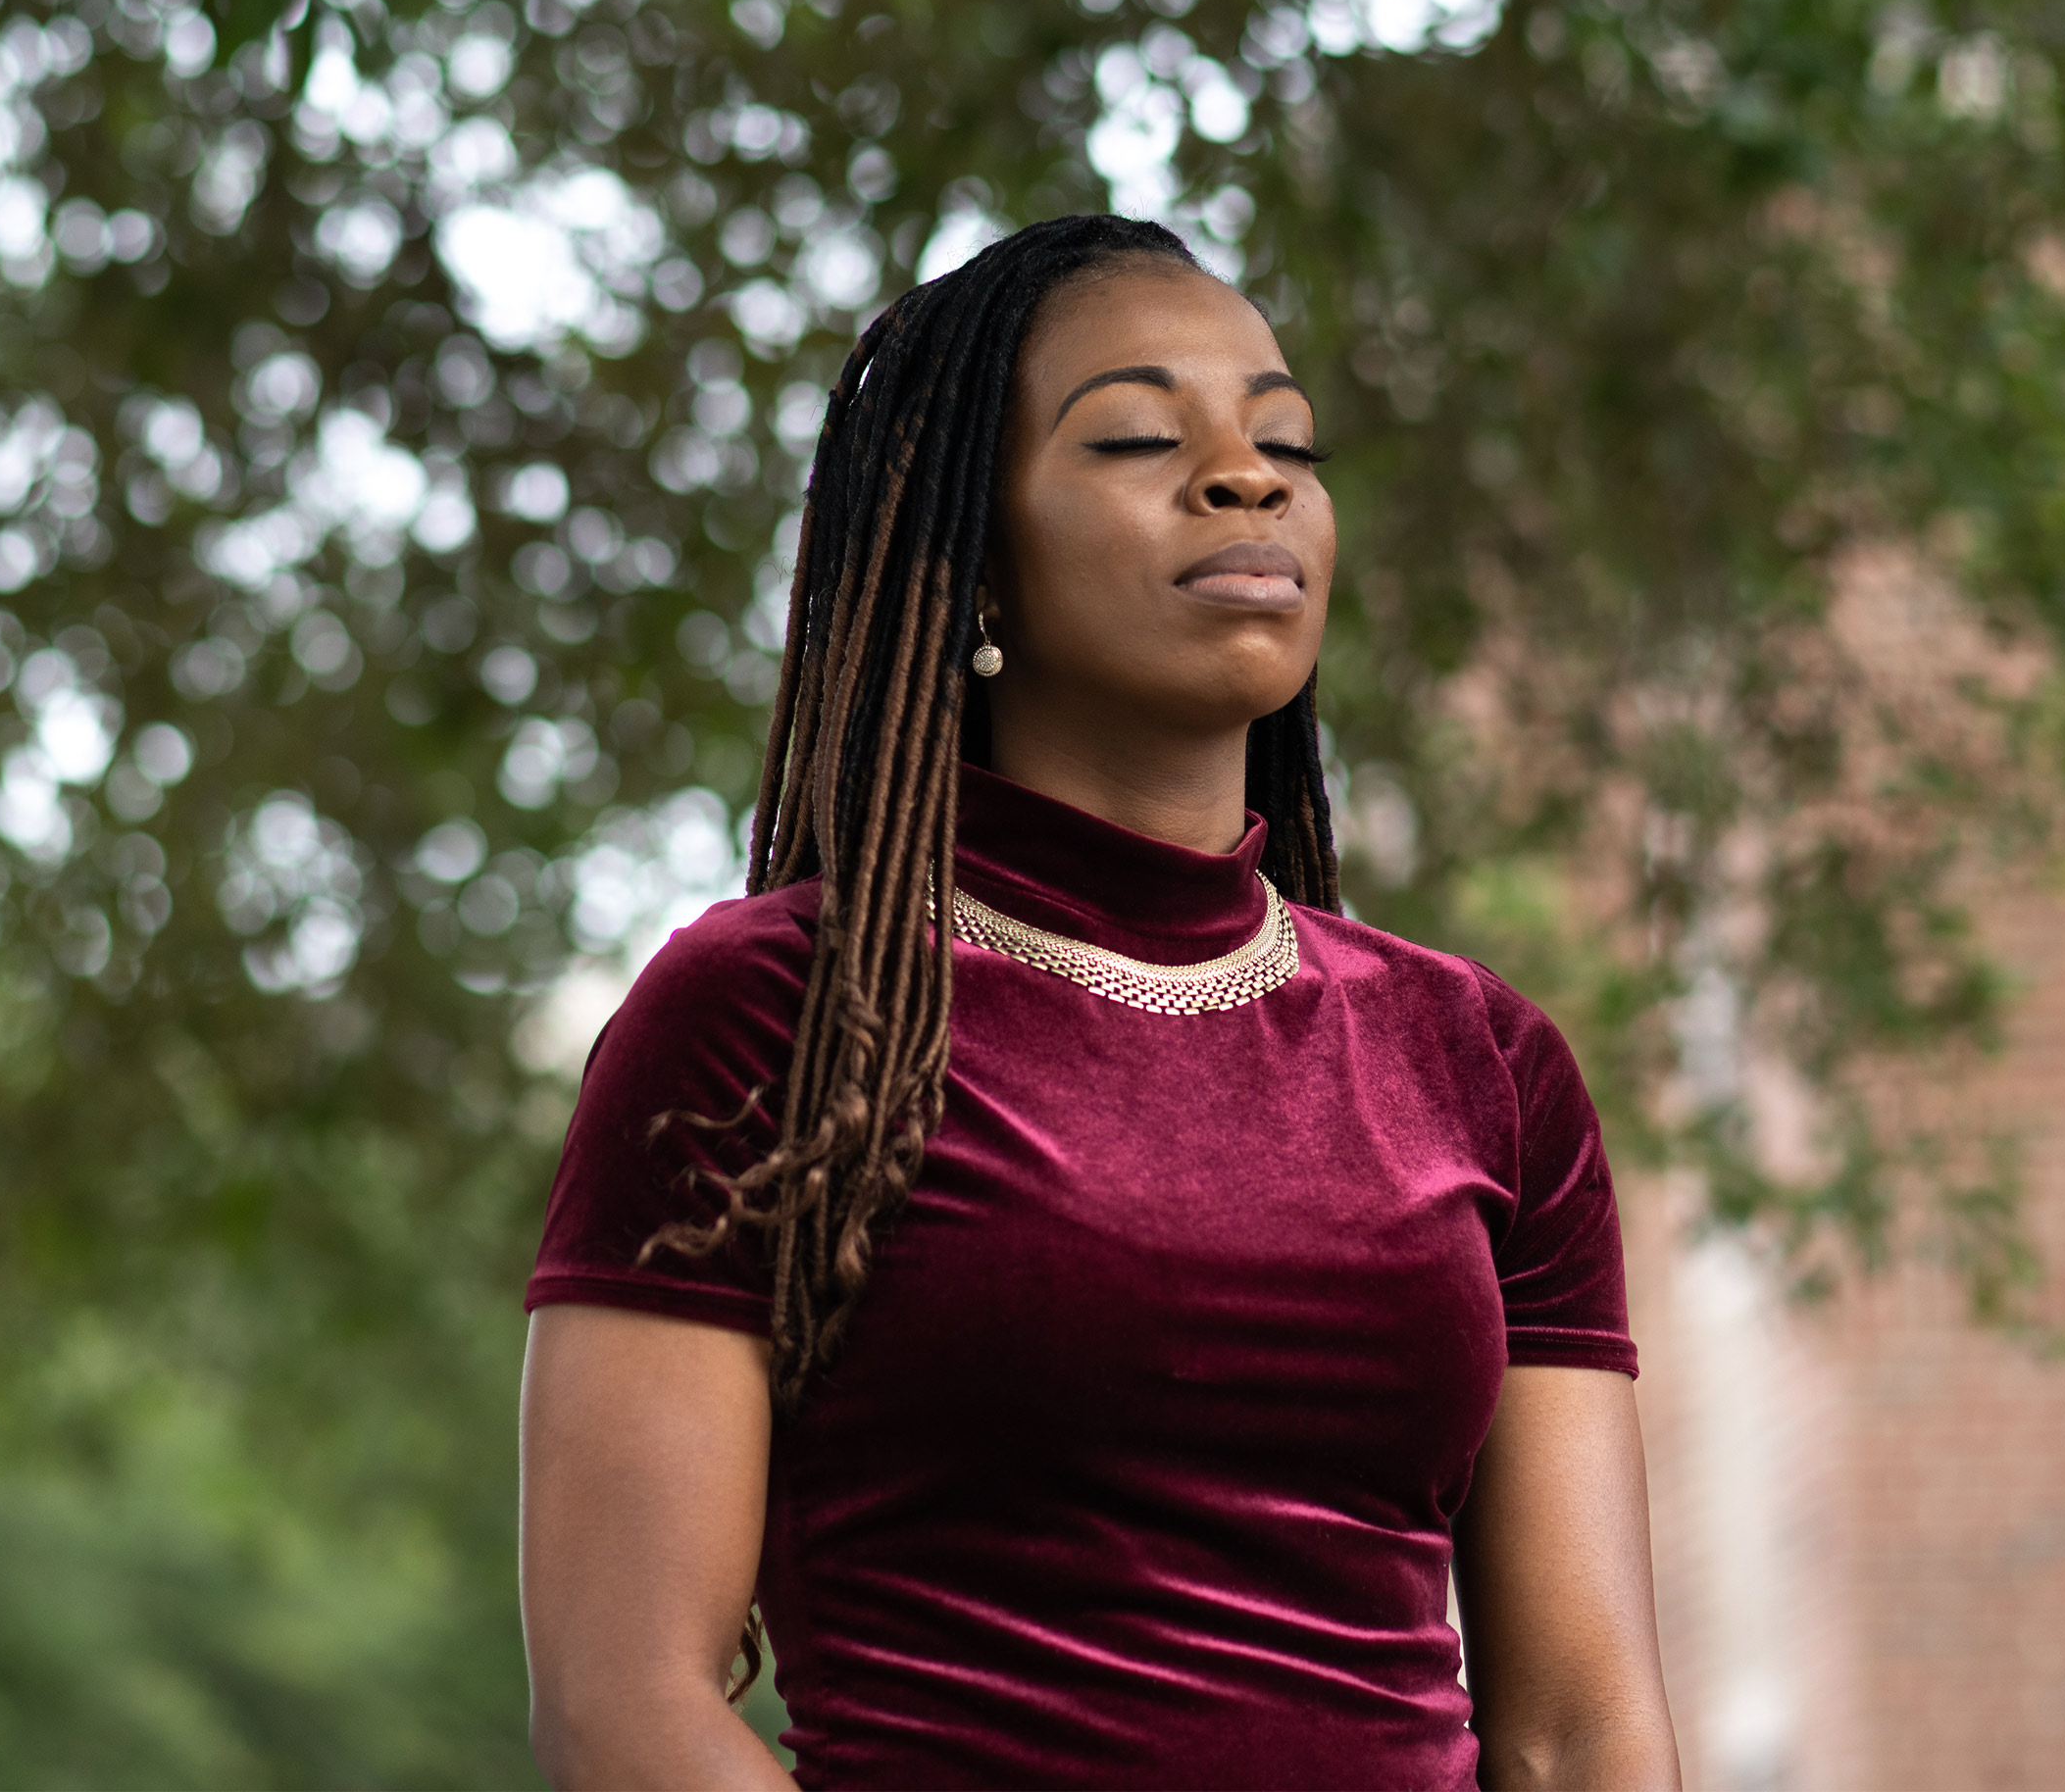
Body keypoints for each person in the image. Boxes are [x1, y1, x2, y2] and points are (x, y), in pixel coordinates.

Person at [517, 214, 1679, 1791]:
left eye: (1287, 443)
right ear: (973, 554)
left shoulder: (1479, 1060)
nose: (1248, 477)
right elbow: (623, 1702)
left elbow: (1578, 1730)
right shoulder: (774, 1016)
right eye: (1139, 437)